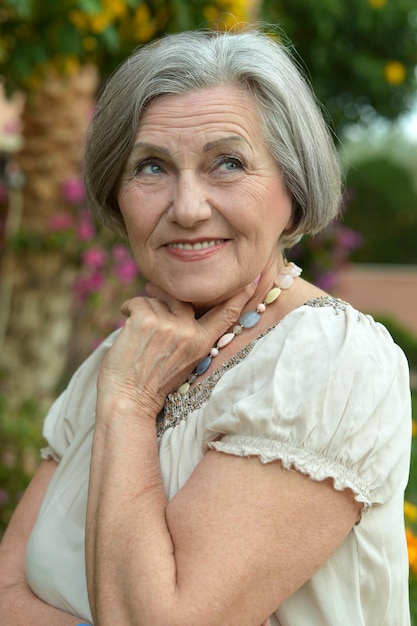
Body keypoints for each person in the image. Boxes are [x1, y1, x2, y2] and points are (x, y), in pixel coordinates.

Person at [0, 27, 411, 626]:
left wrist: (133, 405)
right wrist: (123, 390)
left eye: (228, 163)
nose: (188, 208)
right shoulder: (123, 356)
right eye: (152, 167)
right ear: (117, 197)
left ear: (292, 193)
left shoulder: (328, 362)